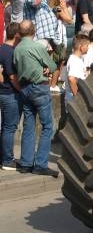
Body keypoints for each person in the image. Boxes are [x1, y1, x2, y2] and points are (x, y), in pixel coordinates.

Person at [13, 20, 58, 177]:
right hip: (39, 87)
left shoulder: (17, 49)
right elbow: (52, 67)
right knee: (47, 127)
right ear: (34, 30)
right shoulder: (37, 46)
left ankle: (26, 163)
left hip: (24, 88)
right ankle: (40, 164)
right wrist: (44, 67)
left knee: (28, 125)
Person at [0, 23, 22, 170]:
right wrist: (21, 90)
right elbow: (12, 76)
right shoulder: (10, 52)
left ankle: (3, 156)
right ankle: (7, 160)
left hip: (3, 92)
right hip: (10, 93)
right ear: (16, 36)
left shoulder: (1, 49)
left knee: (4, 127)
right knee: (9, 127)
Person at [47, 0, 73, 93]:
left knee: (59, 61)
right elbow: (69, 20)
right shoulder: (57, 8)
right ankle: (51, 85)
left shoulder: (55, 7)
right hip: (56, 39)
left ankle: (52, 85)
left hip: (59, 38)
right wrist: (64, 7)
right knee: (55, 62)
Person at [64, 34, 89, 106]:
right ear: (81, 47)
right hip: (73, 101)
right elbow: (71, 79)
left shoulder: (78, 59)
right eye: (87, 46)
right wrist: (77, 97)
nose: (88, 48)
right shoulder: (74, 60)